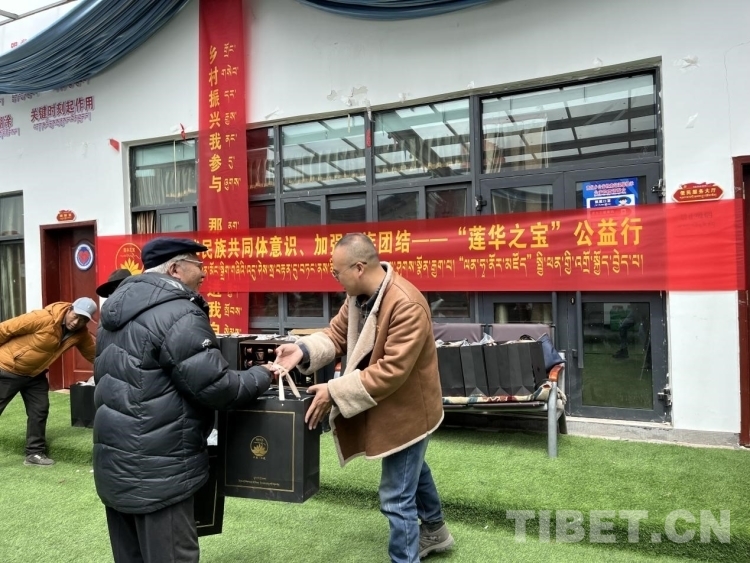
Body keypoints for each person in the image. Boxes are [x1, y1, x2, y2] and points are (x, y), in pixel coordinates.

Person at [273, 233, 454, 562]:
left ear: (358, 268)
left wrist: (333, 391)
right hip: (388, 405)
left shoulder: (406, 303)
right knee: (412, 470)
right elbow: (336, 334)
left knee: (395, 497)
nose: (334, 278)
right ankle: (436, 530)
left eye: (336, 272)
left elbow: (391, 371)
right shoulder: (358, 297)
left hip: (410, 412)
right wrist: (301, 350)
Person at [93, 237, 273, 563]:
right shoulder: (178, 312)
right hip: (160, 471)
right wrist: (263, 373)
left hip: (115, 466)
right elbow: (217, 387)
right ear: (176, 269)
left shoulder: (114, 313)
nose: (204, 273)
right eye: (198, 264)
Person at [0, 297, 97, 466]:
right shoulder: (43, 318)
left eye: (83, 320)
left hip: (35, 374)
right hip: (8, 368)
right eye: (75, 316)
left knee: (39, 410)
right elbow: (5, 329)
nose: (76, 322)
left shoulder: (81, 334)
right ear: (69, 309)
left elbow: (94, 354)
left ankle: (34, 453)